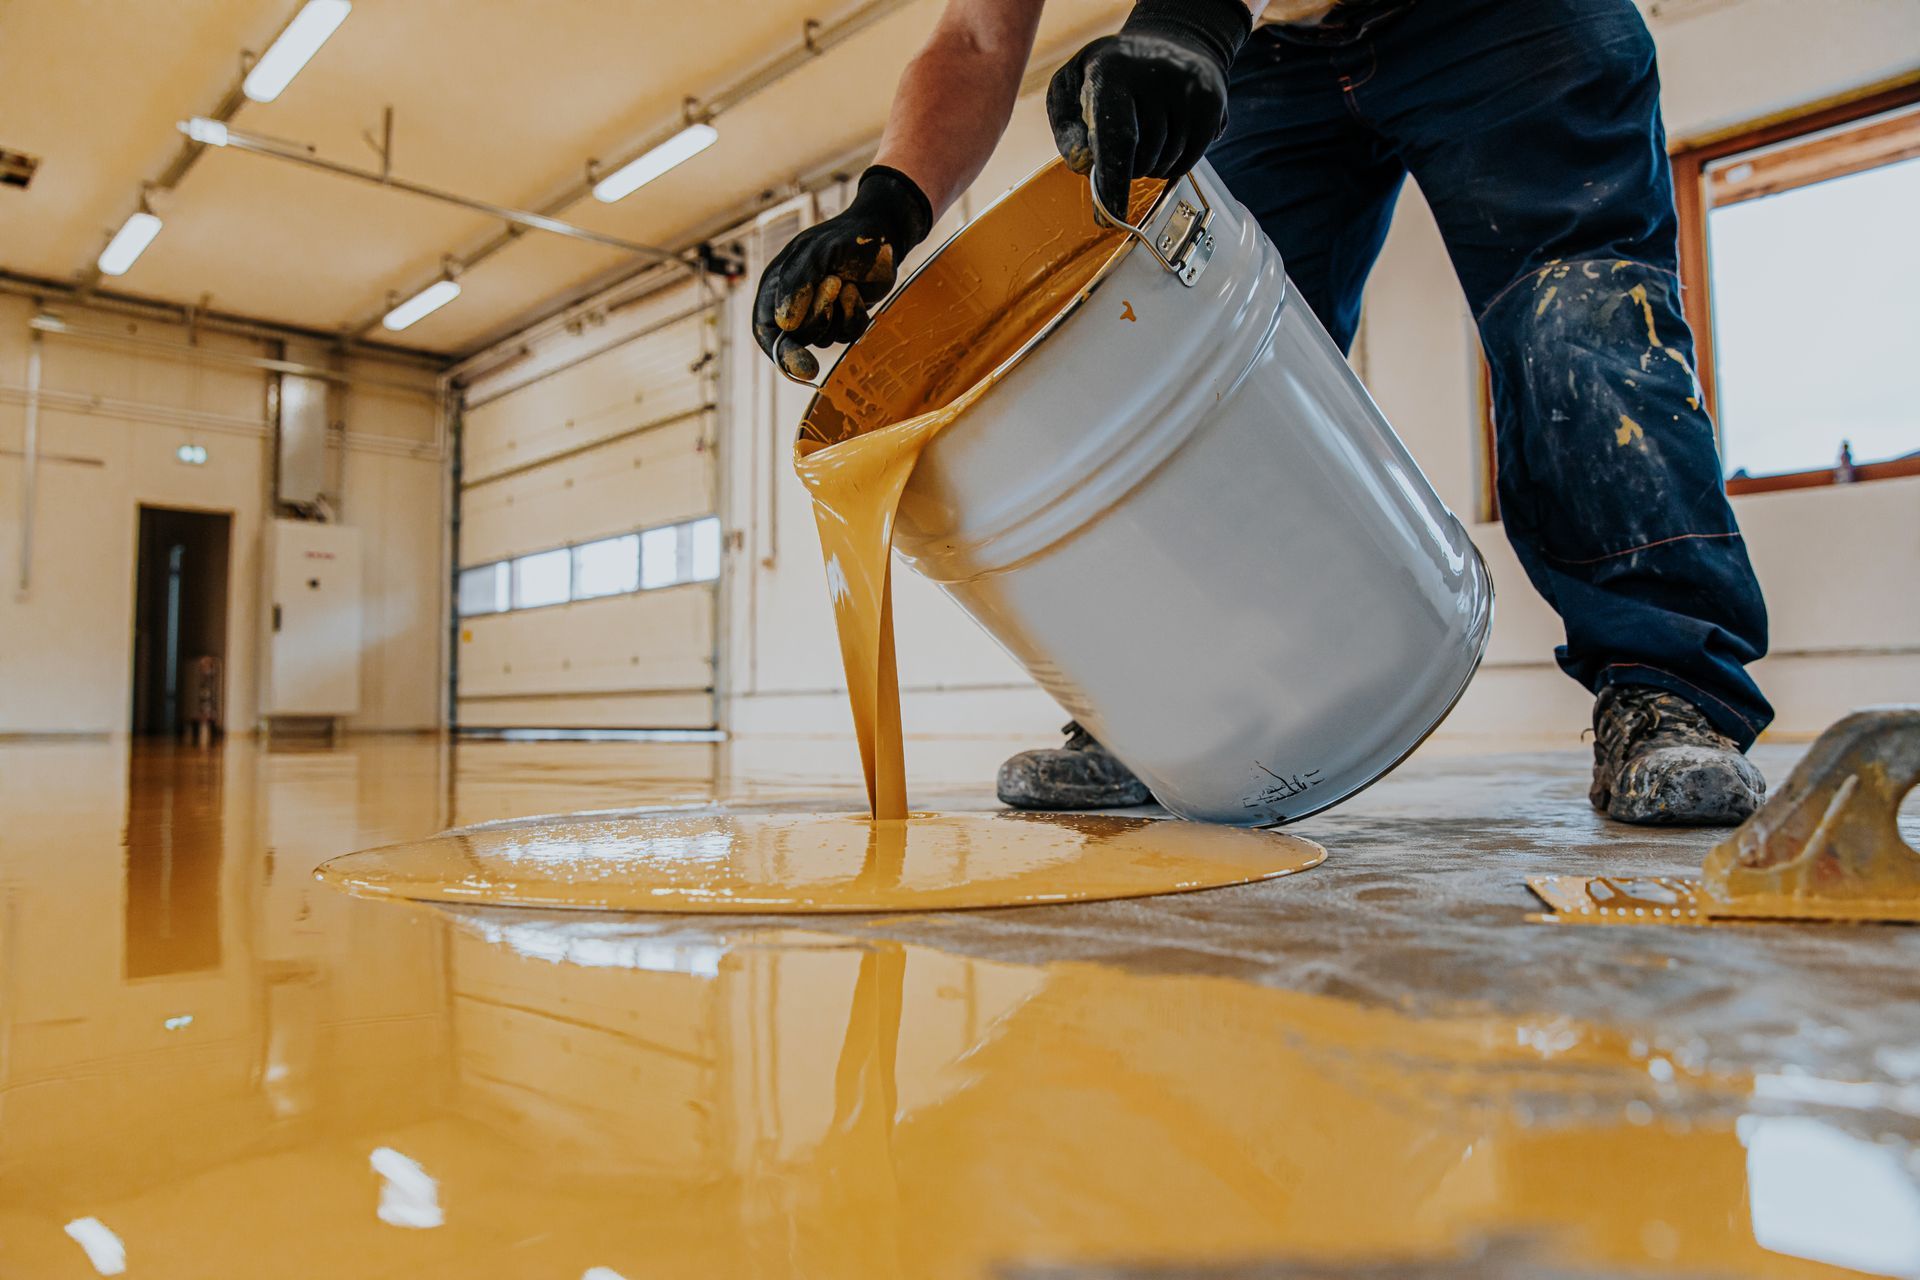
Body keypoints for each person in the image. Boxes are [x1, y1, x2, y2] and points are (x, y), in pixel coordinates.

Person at [753, 0, 1772, 826]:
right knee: (1161, 325)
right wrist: (888, 203)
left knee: (1573, 304)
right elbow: (976, 35)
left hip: (1501, 20)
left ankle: (1669, 684)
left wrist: (1186, 25)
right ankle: (1170, 720)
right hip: (1278, 50)